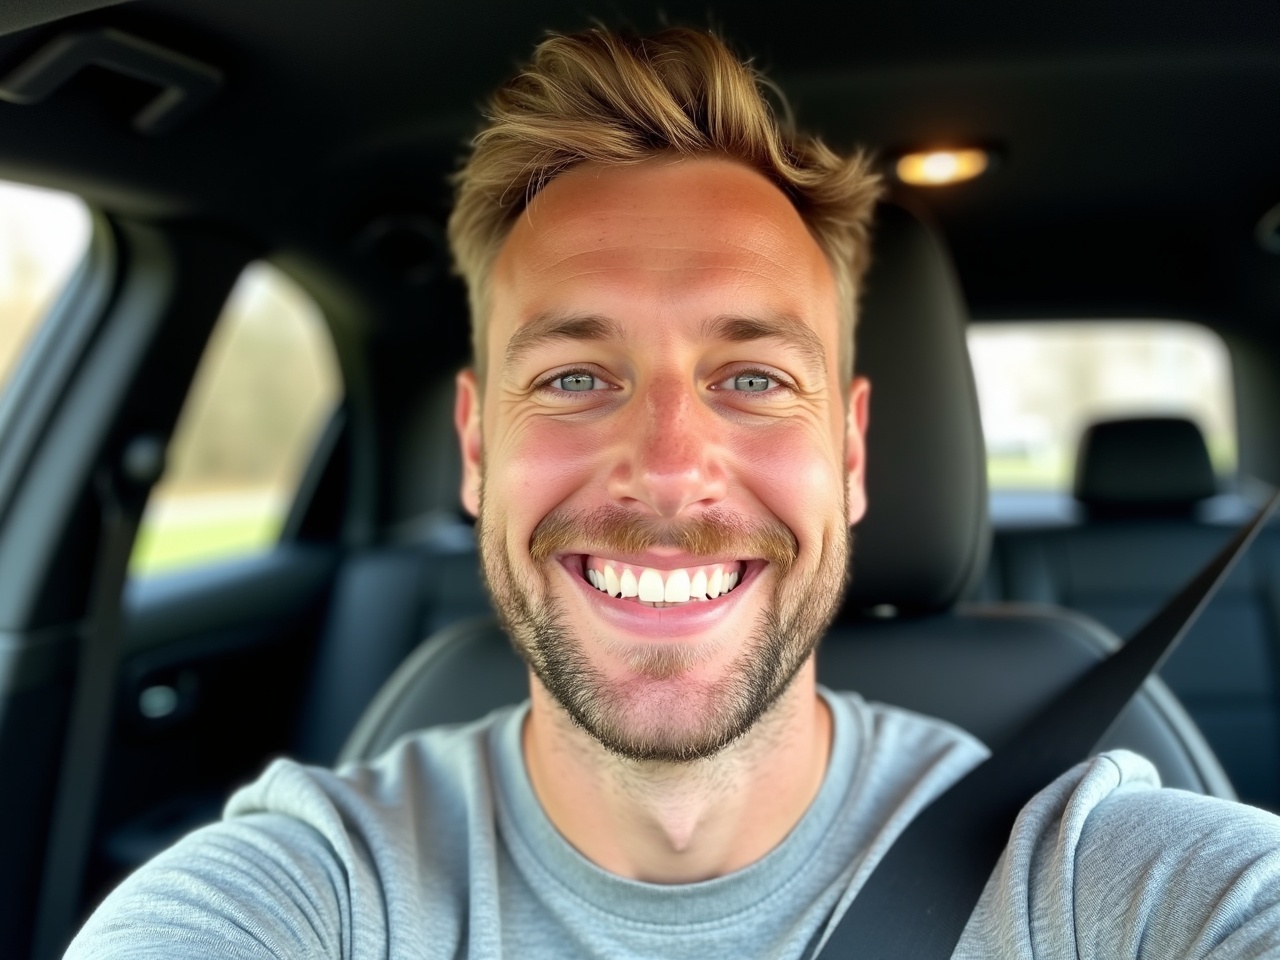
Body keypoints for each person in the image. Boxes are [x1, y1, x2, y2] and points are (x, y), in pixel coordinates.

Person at [67, 26, 1280, 960]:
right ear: (475, 448)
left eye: (750, 376)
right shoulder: (313, 885)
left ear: (850, 456)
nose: (664, 466)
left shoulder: (1089, 871)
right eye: (577, 374)